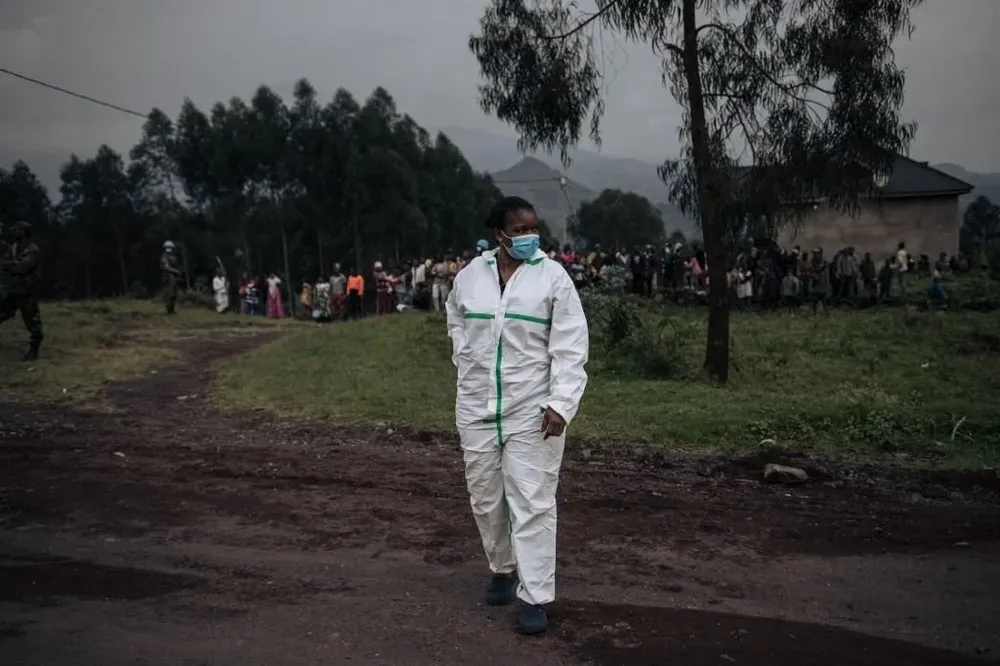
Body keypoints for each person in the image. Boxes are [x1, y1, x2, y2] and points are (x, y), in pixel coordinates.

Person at [445, 196, 589, 636]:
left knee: (532, 500)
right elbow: (455, 317)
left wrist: (561, 403)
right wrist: (463, 354)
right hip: (476, 405)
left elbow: (570, 345)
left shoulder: (553, 278)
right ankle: (503, 569)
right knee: (485, 497)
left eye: (533, 228)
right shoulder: (470, 277)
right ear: (499, 235)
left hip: (533, 409)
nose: (529, 236)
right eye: (520, 229)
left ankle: (535, 596)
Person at [0, 221, 44, 361]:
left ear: (24, 232)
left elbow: (22, 267)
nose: (13, 232)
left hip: (27, 291)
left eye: (16, 230)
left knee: (32, 322)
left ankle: (34, 350)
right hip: (12, 290)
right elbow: (4, 264)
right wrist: (12, 265)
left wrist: (10, 266)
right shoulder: (13, 248)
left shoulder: (33, 250)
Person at [160, 241, 182, 315]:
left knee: (174, 294)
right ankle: (169, 310)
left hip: (174, 277)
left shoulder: (173, 257)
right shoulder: (164, 256)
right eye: (167, 247)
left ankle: (172, 309)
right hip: (168, 277)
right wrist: (176, 271)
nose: (169, 249)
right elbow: (166, 267)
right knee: (169, 294)